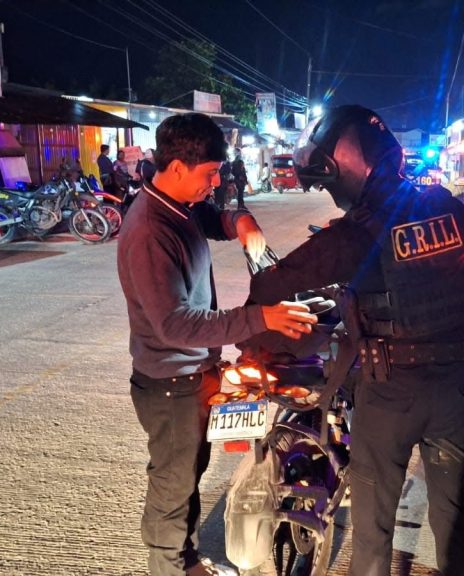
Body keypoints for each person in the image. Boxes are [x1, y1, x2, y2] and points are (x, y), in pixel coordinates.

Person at [249, 105, 464, 576]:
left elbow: (274, 284)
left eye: (330, 183)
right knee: (452, 515)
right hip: (455, 385)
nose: (333, 196)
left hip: (390, 392)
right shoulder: (449, 208)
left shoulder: (356, 234)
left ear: (350, 167)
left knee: (374, 532)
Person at [117, 112, 317, 576]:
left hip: (193, 375)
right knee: (172, 487)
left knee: (189, 475)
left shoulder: (179, 204)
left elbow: (210, 217)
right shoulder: (149, 231)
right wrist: (260, 318)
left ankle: (187, 561)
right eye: (209, 174)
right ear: (177, 167)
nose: (214, 184)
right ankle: (169, 568)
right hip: (169, 382)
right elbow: (175, 325)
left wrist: (240, 220)